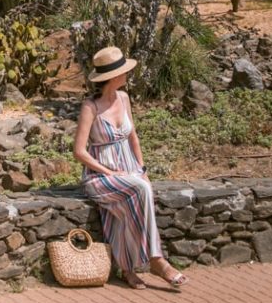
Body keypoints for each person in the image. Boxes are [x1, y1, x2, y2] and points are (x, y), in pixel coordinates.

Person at [73, 45, 189, 290]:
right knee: (139, 190)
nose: (128, 75)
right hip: (99, 176)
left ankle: (127, 269)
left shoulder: (124, 98)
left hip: (129, 169)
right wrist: (110, 172)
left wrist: (142, 168)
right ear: (113, 77)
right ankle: (157, 260)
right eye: (124, 72)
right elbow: (79, 151)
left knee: (130, 202)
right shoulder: (90, 107)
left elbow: (133, 137)